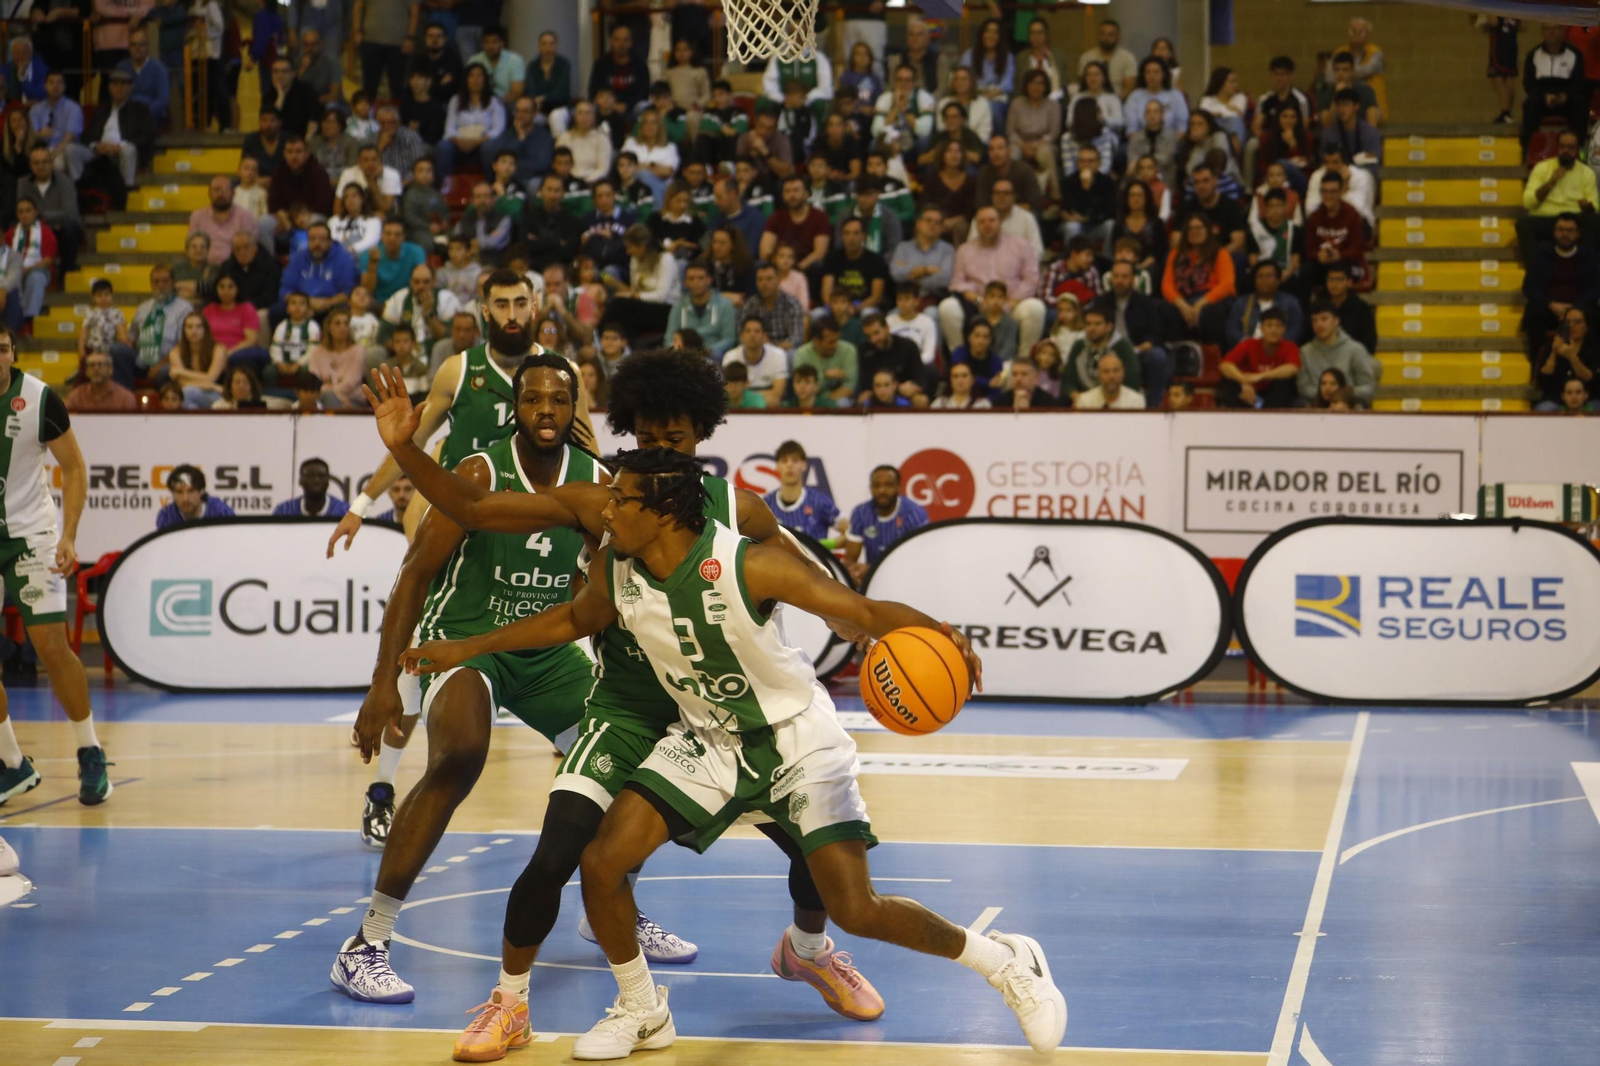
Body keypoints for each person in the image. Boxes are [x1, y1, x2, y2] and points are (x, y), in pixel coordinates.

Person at [360, 349, 892, 1047]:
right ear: (630, 433)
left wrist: (868, 625)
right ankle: (514, 1000)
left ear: (700, 435)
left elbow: (825, 597)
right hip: (630, 706)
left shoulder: (742, 512)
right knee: (559, 856)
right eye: (647, 438)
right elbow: (475, 507)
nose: (660, 451)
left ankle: (809, 949)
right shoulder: (609, 500)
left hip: (721, 716)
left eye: (675, 440)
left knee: (815, 854)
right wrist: (403, 448)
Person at [328, 270, 596, 557]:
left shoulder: (564, 374)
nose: (512, 314)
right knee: (416, 533)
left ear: (533, 307)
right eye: (501, 305)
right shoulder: (457, 369)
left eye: (520, 303)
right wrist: (360, 507)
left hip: (526, 515)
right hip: (462, 510)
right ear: (485, 310)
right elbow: (409, 442)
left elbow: (588, 454)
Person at [0, 325, 102, 809]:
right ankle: (12, 763)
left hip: (31, 537)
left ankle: (89, 749)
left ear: (12, 354)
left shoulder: (40, 400)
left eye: (1, 350)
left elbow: (76, 468)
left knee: (52, 648)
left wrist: (69, 535)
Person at [939, 207, 1044, 360]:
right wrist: (978, 300)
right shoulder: (965, 250)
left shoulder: (1021, 245)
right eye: (982, 222)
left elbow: (1032, 279)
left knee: (1035, 308)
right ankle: (960, 359)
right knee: (947, 307)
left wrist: (1010, 302)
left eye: (991, 220)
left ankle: (1024, 361)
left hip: (1012, 302)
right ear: (976, 226)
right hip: (978, 305)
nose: (987, 225)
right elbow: (957, 283)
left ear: (1000, 222)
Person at [843, 463, 930, 583]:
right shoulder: (861, 512)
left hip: (909, 581)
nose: (881, 490)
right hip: (873, 583)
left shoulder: (914, 513)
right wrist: (854, 573)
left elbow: (920, 560)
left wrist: (872, 570)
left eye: (888, 485)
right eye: (876, 485)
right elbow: (850, 559)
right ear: (870, 488)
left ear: (899, 487)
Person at [1518, 130, 1598, 250]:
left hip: (1574, 218)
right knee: (1524, 224)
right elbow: (1527, 203)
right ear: (1557, 147)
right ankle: (1534, 266)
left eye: (1570, 147)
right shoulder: (1542, 167)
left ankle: (1589, 266)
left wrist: (1587, 207)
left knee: (1596, 221)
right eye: (1562, 146)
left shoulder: (1586, 172)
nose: (1566, 150)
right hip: (1548, 218)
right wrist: (1551, 183)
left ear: (1577, 150)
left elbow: (1596, 207)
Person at [1163, 213, 1236, 339]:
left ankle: (1212, 353)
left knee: (1211, 312)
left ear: (1208, 230)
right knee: (1165, 309)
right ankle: (1177, 351)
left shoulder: (1220, 253)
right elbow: (1166, 285)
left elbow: (1227, 284)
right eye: (1190, 229)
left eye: (1199, 228)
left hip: (1211, 299)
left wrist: (1201, 303)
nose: (1194, 232)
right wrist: (1182, 305)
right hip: (1183, 298)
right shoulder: (1175, 254)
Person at [1298, 299, 1379, 408]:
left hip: (1349, 407)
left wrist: (1342, 394)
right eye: (1314, 321)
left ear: (1336, 320)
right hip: (1317, 405)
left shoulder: (1355, 349)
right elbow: (1303, 387)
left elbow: (1368, 388)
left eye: (1324, 319)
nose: (1319, 324)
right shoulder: (1305, 351)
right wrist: (1324, 394)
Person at [1218, 307, 1300, 408]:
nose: (1273, 330)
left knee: (1285, 382)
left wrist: (1260, 376)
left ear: (1284, 329)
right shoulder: (1249, 344)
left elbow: (1292, 368)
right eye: (1269, 325)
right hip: (1248, 389)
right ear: (1261, 328)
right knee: (1230, 382)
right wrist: (1243, 380)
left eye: (1278, 326)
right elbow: (1225, 365)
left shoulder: (1290, 347)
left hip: (1273, 393)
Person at [1522, 24, 1586, 152]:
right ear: (1542, 32)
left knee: (1581, 104)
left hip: (1567, 99)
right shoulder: (1533, 55)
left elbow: (1579, 83)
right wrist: (1544, 96)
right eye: (1547, 29)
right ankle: (1529, 150)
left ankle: (1579, 149)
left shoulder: (1574, 54)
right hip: (1542, 99)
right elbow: (1529, 84)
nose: (1550, 33)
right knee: (1529, 104)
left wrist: (1566, 96)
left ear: (1562, 31)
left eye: (1554, 29)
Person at [1063, 304, 1141, 406]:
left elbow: (1133, 381)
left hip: (1117, 399)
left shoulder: (1122, 347)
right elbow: (1068, 380)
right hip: (1086, 399)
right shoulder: (1079, 346)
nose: (1092, 328)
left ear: (1109, 326)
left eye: (1097, 324)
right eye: (1088, 324)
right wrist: (1076, 397)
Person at [764, 440, 838, 542]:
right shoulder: (766, 505)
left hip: (811, 558)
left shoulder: (819, 502)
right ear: (777, 466)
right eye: (784, 460)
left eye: (795, 460)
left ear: (804, 465)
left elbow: (849, 533)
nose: (789, 465)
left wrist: (822, 548)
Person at [1304, 172, 1367, 290]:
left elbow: (1357, 249)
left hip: (1347, 263)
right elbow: (1308, 249)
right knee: (1306, 272)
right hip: (1322, 264)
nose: (1328, 196)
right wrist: (1318, 255)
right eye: (1324, 191)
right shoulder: (1314, 217)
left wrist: (1340, 255)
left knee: (1340, 274)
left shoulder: (1352, 215)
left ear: (1341, 192)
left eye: (1332, 192)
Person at [1225, 261, 1305, 349]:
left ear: (1278, 280)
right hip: (1247, 350)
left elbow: (1296, 330)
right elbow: (1231, 330)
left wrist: (1275, 344)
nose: (1264, 280)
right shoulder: (1242, 303)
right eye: (1260, 276)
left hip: (1280, 351)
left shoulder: (1290, 302)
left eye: (1269, 276)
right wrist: (1251, 346)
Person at [1535, 305, 1600, 410]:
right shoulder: (1552, 345)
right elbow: (1542, 380)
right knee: (1543, 408)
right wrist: (1554, 353)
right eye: (1568, 322)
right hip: (1557, 399)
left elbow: (1591, 380)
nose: (1571, 326)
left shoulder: (1595, 349)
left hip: (1588, 398)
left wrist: (1572, 357)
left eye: (1577, 322)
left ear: (1587, 326)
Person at [888, 205, 952, 303]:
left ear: (942, 228)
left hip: (934, 301)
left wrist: (916, 276)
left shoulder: (948, 250)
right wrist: (926, 270)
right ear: (918, 223)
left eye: (937, 222)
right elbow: (896, 273)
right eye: (928, 220)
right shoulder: (903, 248)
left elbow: (945, 279)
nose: (933, 225)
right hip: (905, 303)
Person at [740, 261, 807, 353]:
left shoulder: (792, 303)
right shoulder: (750, 305)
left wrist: (772, 348)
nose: (764, 283)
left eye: (769, 279)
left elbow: (796, 338)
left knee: (792, 354)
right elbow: (741, 335)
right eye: (760, 279)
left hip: (783, 350)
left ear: (778, 280)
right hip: (756, 349)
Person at [792, 316, 858, 406]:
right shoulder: (801, 355)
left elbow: (850, 385)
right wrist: (824, 375)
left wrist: (826, 403)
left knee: (843, 403)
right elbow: (801, 387)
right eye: (831, 342)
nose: (835, 345)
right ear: (816, 341)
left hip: (835, 399)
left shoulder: (849, 350)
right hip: (809, 400)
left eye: (837, 340)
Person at [1321, 263, 1376, 354]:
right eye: (1330, 279)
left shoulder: (1361, 308)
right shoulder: (1319, 306)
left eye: (1339, 280)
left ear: (1349, 282)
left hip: (1353, 356)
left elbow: (1369, 342)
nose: (1334, 284)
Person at [154, 465, 234, 527]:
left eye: (191, 491)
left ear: (201, 492)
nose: (185, 498)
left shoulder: (222, 514)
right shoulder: (166, 517)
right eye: (179, 492)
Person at [1126, 57, 1187, 135]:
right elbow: (1131, 129)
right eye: (1148, 72)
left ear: (1164, 74)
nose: (1152, 76)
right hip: (1141, 142)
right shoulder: (1135, 96)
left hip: (1171, 141)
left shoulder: (1176, 95)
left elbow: (1182, 127)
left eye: (1156, 72)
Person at [273, 457, 350, 517]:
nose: (316, 480)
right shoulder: (284, 511)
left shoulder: (345, 512)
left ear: (328, 482)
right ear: (300, 481)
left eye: (321, 476)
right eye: (310, 476)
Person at [65, 350, 136, 412]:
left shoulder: (125, 398)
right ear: (87, 371)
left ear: (110, 369)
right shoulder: (75, 397)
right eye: (92, 365)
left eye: (101, 364)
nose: (96, 369)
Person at [1482, 17, 1521, 125]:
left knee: (1498, 77)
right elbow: (1522, 26)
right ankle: (1507, 113)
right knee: (1509, 77)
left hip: (1500, 44)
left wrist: (1483, 20)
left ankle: (1505, 112)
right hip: (1511, 42)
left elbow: (1493, 21)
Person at [1073, 350, 1144, 410]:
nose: (1111, 376)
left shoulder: (1136, 401)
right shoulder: (1085, 401)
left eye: (1116, 371)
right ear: (1098, 374)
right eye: (1106, 371)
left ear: (1123, 373)